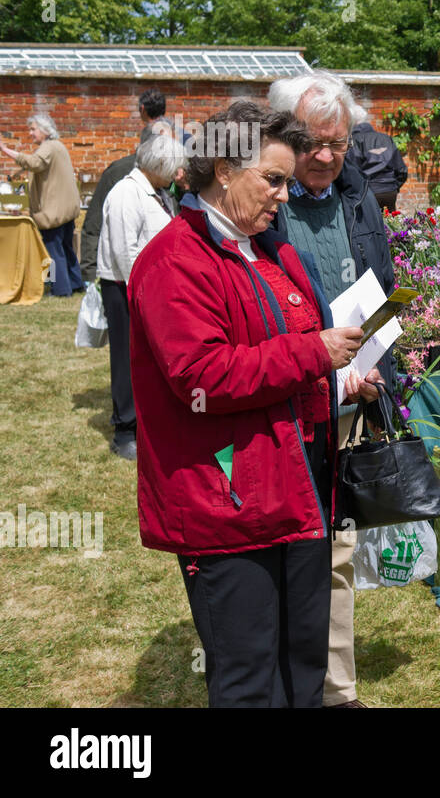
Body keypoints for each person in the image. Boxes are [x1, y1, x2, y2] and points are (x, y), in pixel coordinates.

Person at [130, 102, 375, 707]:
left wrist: (340, 381)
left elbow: (284, 356)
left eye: (286, 181)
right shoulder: (173, 262)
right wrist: (314, 356)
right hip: (228, 504)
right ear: (221, 169)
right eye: (273, 179)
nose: (285, 197)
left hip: (298, 491)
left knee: (301, 665)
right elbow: (202, 377)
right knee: (249, 680)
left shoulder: (270, 251)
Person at [268, 69, 390, 710]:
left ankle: (335, 692)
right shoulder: (262, 202)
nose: (324, 156)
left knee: (338, 549)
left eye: (338, 143)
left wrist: (375, 365)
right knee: (282, 551)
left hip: (348, 399)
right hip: (280, 401)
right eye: (313, 142)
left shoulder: (356, 196)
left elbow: (384, 285)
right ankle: (280, 680)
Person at [97, 133, 186, 461]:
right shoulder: (126, 193)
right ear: (160, 165)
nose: (179, 174)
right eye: (174, 167)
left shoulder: (158, 192)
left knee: (148, 359)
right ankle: (124, 429)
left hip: (151, 289)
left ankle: (146, 421)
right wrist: (141, 293)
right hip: (126, 288)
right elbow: (125, 250)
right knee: (125, 358)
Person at [0, 114, 84, 296]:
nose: (30, 133)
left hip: (53, 213)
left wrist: (5, 150)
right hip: (66, 210)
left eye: (33, 129)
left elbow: (34, 163)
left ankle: (60, 289)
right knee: (67, 248)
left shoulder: (48, 147)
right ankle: (76, 283)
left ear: (45, 131)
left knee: (52, 252)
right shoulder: (58, 146)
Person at [82, 121, 176, 277]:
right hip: (126, 278)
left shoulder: (162, 183)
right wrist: (89, 270)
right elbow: (95, 223)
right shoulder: (119, 176)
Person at [344, 114, 407, 214]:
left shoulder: (353, 140)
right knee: (391, 225)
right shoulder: (386, 138)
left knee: (368, 226)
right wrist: (393, 186)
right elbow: (401, 170)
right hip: (390, 191)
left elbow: (351, 171)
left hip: (366, 193)